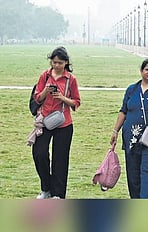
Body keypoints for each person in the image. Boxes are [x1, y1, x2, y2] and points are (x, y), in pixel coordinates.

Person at [110, 58, 148, 199]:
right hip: (131, 138)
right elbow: (123, 111)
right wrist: (115, 131)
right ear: (141, 71)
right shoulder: (132, 90)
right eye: (147, 69)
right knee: (133, 173)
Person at [32, 46, 81, 199]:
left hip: (63, 122)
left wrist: (62, 97)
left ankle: (58, 194)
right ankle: (46, 188)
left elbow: (76, 102)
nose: (57, 65)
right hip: (45, 121)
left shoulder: (71, 79)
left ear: (66, 63)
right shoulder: (44, 76)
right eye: (54, 62)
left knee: (60, 160)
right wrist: (45, 91)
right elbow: (36, 98)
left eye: (60, 63)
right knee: (39, 154)